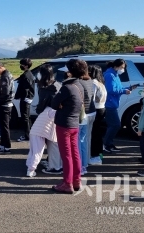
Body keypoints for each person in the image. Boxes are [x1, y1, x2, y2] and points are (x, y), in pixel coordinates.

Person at [50, 59, 89, 193]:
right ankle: (76, 180)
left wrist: (60, 104)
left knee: (66, 155)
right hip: (75, 124)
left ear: (70, 71)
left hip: (64, 124)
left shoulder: (67, 87)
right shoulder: (80, 86)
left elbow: (54, 104)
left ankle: (67, 183)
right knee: (75, 153)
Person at [31, 64, 62, 176]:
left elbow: (42, 104)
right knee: (55, 140)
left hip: (48, 115)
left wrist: (39, 111)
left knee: (52, 141)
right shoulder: (57, 84)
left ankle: (54, 166)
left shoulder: (46, 88)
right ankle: (56, 163)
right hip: (58, 115)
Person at [102, 59, 133, 153]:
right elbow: (110, 90)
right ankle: (106, 144)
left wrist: (127, 89)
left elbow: (117, 88)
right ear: (116, 66)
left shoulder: (114, 74)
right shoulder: (109, 75)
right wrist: (124, 91)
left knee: (114, 125)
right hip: (109, 104)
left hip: (113, 103)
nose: (122, 69)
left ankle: (109, 144)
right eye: (122, 67)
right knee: (115, 125)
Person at [77, 67, 95, 176]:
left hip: (83, 114)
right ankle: (85, 162)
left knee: (79, 140)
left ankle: (81, 165)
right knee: (86, 139)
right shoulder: (89, 80)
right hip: (91, 112)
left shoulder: (78, 83)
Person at [88, 65, 107, 166]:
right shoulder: (101, 83)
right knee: (98, 134)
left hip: (95, 109)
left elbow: (91, 99)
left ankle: (95, 156)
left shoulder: (93, 83)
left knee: (94, 135)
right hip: (102, 109)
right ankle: (99, 156)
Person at [15, 58, 35, 142]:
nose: (21, 66)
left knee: (25, 117)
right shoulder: (29, 74)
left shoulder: (26, 76)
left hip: (25, 99)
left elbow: (26, 88)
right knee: (27, 117)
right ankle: (29, 134)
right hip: (27, 98)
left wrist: (21, 96)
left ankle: (27, 135)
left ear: (26, 65)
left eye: (22, 64)